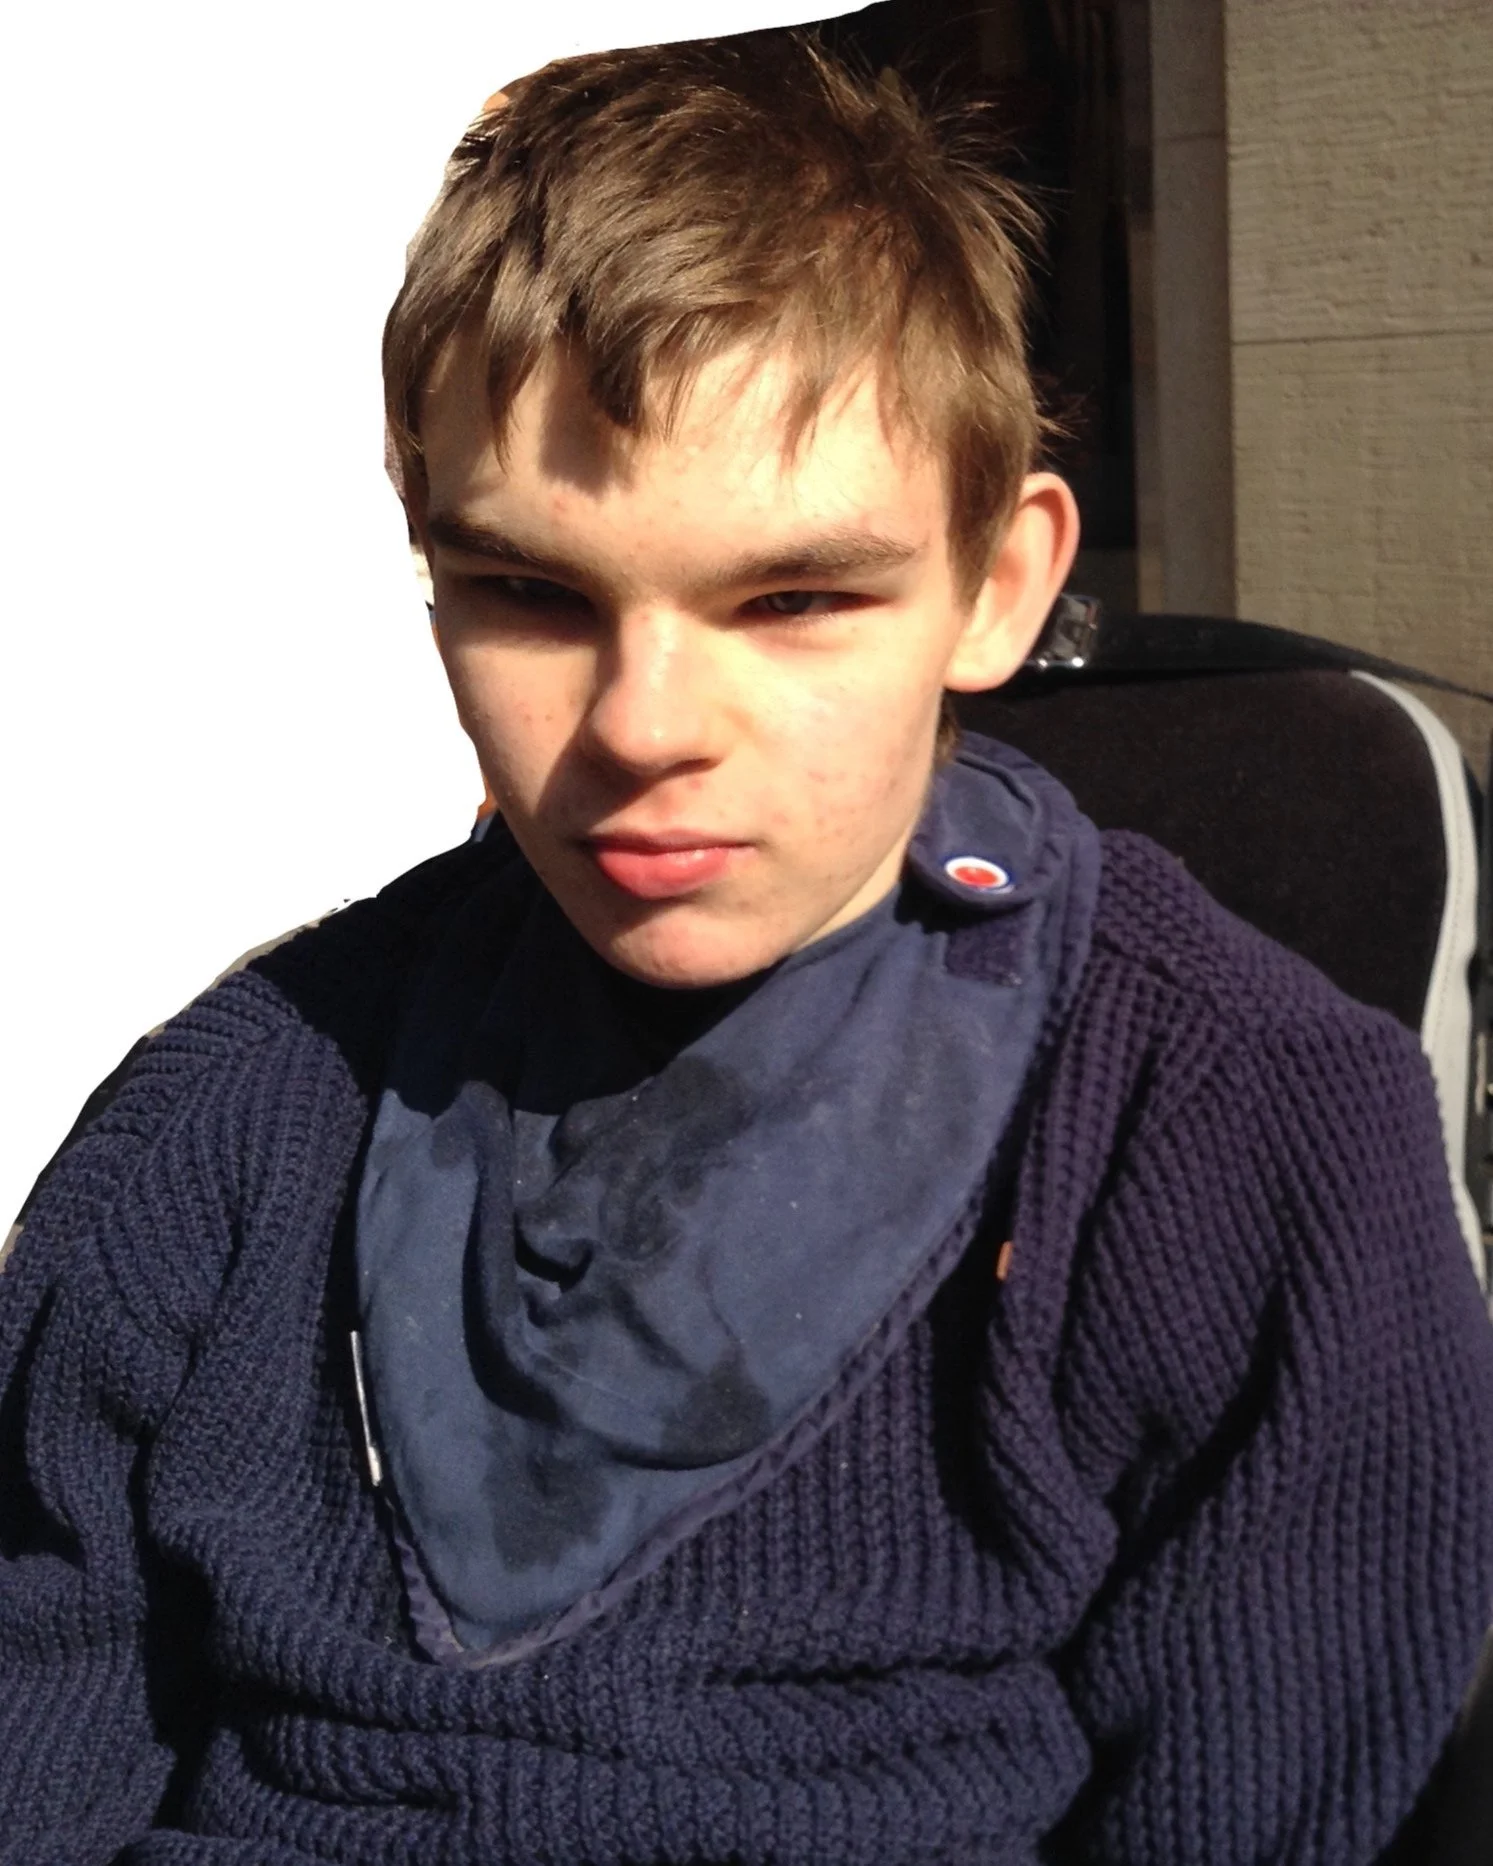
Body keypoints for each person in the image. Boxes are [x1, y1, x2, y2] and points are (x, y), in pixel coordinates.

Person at [3, 30, 1492, 1864]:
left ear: (1000, 583)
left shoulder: (1239, 1146)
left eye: (792, 598)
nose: (642, 723)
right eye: (534, 594)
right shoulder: (219, 1132)